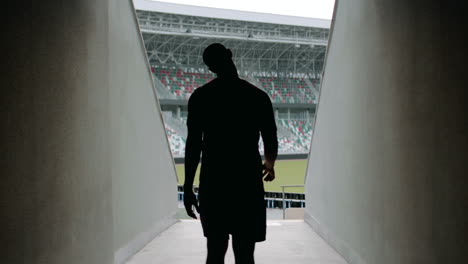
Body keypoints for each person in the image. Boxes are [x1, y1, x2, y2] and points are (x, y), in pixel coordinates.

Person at [184, 43, 278, 264]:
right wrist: (270, 163)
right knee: (245, 254)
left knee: (215, 251)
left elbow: (193, 145)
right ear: (230, 55)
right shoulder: (258, 97)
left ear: (210, 68)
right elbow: (270, 137)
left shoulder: (201, 97)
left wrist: (188, 187)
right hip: (246, 183)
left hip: (214, 182)